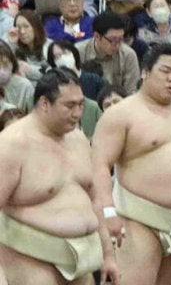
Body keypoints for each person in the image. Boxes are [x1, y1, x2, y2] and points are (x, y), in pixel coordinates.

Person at [91, 44, 171, 284]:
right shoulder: (121, 114)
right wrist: (108, 212)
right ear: (145, 72)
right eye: (165, 71)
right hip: (139, 220)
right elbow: (99, 165)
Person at [0, 69, 118, 285]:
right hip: (30, 260)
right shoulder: (12, 144)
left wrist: (108, 255)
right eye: (69, 106)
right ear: (44, 103)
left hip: (82, 260)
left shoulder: (78, 139)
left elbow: (94, 200)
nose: (77, 113)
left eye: (81, 105)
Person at [76, 11, 141, 95]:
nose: (117, 45)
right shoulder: (79, 52)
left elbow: (132, 92)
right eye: (113, 40)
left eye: (120, 39)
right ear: (97, 36)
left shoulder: (128, 55)